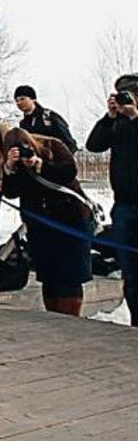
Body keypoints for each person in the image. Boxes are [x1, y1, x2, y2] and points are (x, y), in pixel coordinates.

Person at [1, 128, 92, 316]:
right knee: (48, 275)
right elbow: (11, 192)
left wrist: (41, 165)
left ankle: (71, 317)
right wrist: (9, 168)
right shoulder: (15, 165)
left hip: (69, 220)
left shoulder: (53, 146)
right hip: (40, 225)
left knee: (69, 275)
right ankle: (53, 315)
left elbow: (69, 171)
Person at [85, 73, 138, 326]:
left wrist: (135, 118)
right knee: (130, 273)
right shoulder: (117, 122)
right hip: (124, 205)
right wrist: (110, 117)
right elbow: (93, 145)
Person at [14, 85, 78, 152]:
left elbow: (68, 141)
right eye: (16, 100)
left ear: (33, 99)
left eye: (22, 99)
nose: (19, 103)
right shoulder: (23, 124)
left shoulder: (48, 116)